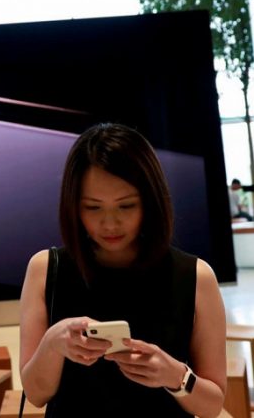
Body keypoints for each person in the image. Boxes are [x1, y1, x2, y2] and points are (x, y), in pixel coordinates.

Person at [19, 123, 226, 418]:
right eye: (93, 207)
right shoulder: (47, 269)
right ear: (73, 206)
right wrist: (53, 343)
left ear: (150, 202)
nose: (110, 223)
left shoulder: (194, 276)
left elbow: (212, 405)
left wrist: (175, 376)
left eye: (126, 206)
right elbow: (36, 394)